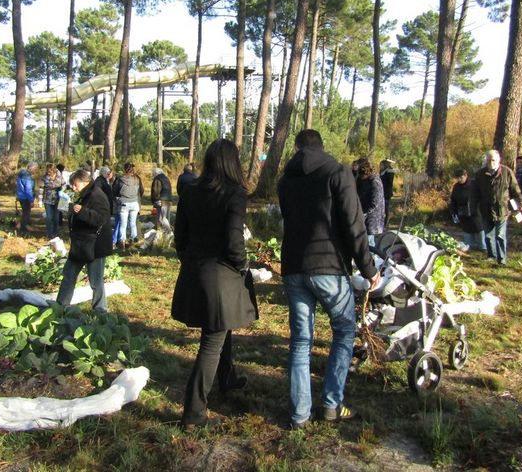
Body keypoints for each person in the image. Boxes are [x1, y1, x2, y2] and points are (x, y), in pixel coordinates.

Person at [277, 130, 380, 429]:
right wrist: (368, 268)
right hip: (328, 266)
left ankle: (299, 415)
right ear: (322, 147)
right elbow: (353, 222)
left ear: (297, 149)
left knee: (300, 342)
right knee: (345, 330)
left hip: (294, 267)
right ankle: (332, 405)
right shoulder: (337, 173)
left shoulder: (286, 180)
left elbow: (289, 218)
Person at [171, 139, 258, 429]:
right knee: (212, 341)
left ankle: (227, 377)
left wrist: (190, 258)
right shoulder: (234, 194)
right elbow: (235, 242)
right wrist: (242, 265)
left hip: (195, 271)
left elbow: (179, 238)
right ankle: (193, 413)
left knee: (221, 327)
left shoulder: (190, 190)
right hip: (221, 274)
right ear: (233, 163)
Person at [56, 170, 112, 313]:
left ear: (83, 181)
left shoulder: (96, 195)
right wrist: (69, 208)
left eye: (75, 185)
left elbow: (101, 218)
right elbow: (77, 210)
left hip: (94, 245)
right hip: (80, 243)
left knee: (96, 280)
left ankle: (100, 310)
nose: (73, 188)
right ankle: (61, 306)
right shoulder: (83, 194)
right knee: (69, 274)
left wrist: (81, 211)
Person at [470, 149, 522, 266]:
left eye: (493, 160)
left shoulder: (507, 172)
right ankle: (491, 256)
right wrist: (473, 209)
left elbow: (515, 190)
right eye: (488, 160)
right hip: (486, 210)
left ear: (498, 160)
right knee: (488, 236)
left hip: (502, 210)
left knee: (500, 236)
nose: (491, 162)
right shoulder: (480, 174)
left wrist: (519, 204)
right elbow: (474, 194)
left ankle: (502, 259)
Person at [450, 169, 484, 251]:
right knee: (467, 229)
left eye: (461, 177)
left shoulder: (473, 184)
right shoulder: (456, 187)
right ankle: (469, 246)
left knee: (479, 228)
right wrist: (454, 212)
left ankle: (483, 247)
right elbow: (453, 200)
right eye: (457, 178)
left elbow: (480, 196)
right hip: (462, 211)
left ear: (465, 176)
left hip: (475, 211)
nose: (459, 179)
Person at [113, 162, 143, 248]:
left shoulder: (120, 179)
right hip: (135, 203)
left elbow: (114, 190)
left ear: (124, 169)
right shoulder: (137, 179)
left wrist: (119, 197)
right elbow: (141, 190)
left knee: (123, 224)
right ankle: (134, 239)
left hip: (124, 203)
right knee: (133, 222)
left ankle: (122, 241)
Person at [355, 158, 385, 244]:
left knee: (371, 244)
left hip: (373, 221)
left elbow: (374, 203)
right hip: (362, 218)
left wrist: (363, 214)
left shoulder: (375, 182)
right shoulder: (361, 180)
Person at [41, 164, 64, 239]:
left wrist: (62, 192)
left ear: (54, 170)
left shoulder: (59, 176)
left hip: (58, 199)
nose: (48, 172)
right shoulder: (44, 178)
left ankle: (56, 233)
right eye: (47, 171)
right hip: (47, 199)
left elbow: (64, 185)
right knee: (49, 217)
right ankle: (49, 234)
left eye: (50, 171)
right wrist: (39, 198)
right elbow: (41, 188)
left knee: (56, 217)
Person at [16, 163, 38, 235]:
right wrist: (31, 200)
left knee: (24, 212)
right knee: (26, 213)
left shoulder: (21, 174)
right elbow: (28, 189)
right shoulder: (27, 176)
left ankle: (20, 225)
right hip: (25, 197)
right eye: (35, 169)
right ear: (32, 168)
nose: (36, 171)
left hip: (20, 195)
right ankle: (23, 228)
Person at [151, 167, 173, 233]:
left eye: (153, 174)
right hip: (168, 201)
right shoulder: (166, 178)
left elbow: (156, 191)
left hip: (161, 201)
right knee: (165, 218)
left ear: (155, 173)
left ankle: (169, 232)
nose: (152, 175)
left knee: (161, 219)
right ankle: (163, 233)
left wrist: (154, 200)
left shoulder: (157, 179)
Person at [379, 159, 395, 229]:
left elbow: (389, 183)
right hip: (381, 192)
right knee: (381, 208)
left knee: (386, 208)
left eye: (381, 165)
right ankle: (382, 222)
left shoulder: (389, 172)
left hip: (386, 192)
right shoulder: (382, 172)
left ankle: (386, 224)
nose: (380, 166)